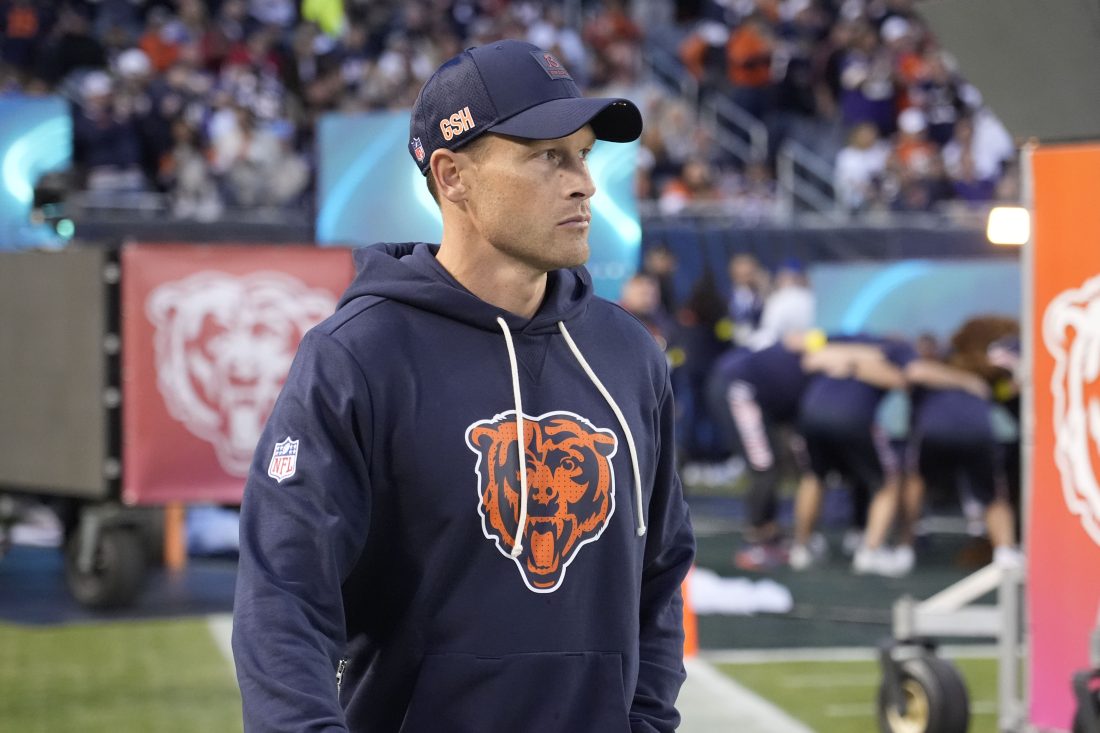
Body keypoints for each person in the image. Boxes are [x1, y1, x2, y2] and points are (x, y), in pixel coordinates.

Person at [232, 40, 696, 732]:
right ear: (452, 177)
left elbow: (658, 578)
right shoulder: (358, 356)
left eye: (584, 156)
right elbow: (284, 601)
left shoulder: (629, 354)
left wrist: (647, 722)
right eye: (548, 157)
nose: (584, 184)